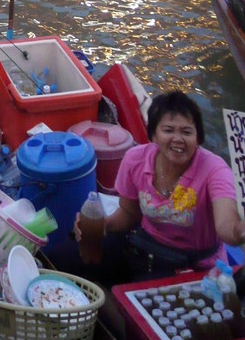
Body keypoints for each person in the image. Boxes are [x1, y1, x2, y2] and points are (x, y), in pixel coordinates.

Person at [74, 91, 245, 280]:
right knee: (70, 257)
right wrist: (102, 226)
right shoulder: (135, 159)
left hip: (197, 268)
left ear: (198, 138)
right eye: (168, 130)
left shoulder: (215, 169)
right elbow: (129, 214)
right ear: (154, 135)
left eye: (186, 132)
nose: (178, 139)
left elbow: (226, 225)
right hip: (147, 251)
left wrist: (239, 231)